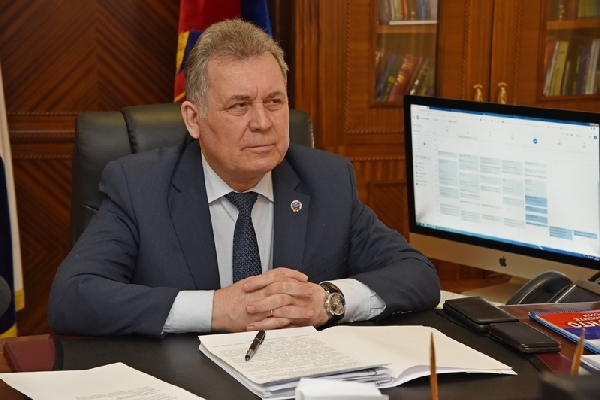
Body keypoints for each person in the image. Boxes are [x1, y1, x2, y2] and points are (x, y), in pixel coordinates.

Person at [48, 19, 440, 338]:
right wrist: (216, 309)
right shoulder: (139, 186)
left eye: (274, 101)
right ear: (193, 119)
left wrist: (328, 301)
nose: (263, 122)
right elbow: (72, 296)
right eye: (239, 105)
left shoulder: (327, 180)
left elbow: (418, 274)